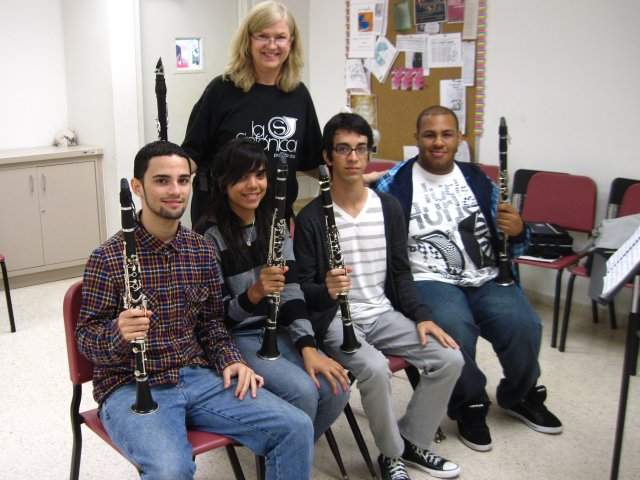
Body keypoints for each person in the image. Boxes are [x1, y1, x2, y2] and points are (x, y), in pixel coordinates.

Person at [76, 140, 313, 479]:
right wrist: (117, 332)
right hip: (130, 386)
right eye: (162, 181)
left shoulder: (200, 250)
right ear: (137, 187)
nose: (175, 191)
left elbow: (212, 325)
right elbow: (86, 338)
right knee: (171, 470)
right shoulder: (107, 258)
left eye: (183, 180)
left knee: (296, 427)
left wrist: (230, 358)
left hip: (198, 376)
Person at [374, 105, 563, 452]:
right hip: (429, 278)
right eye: (429, 135)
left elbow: (512, 240)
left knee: (523, 325)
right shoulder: (394, 182)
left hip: (487, 275)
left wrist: (519, 230)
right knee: (453, 332)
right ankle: (470, 405)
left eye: (447, 134)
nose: (438, 142)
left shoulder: (477, 178)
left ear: (459, 138)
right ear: (416, 138)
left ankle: (519, 395)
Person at [294, 113, 464, 480]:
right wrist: (325, 288)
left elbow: (401, 273)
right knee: (374, 367)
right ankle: (392, 456)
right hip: (337, 319)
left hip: (382, 312)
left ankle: (411, 440)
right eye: (343, 149)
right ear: (328, 157)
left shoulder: (388, 208)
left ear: (369, 153)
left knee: (450, 358)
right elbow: (302, 288)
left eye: (360, 149)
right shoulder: (311, 218)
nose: (353, 158)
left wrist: (423, 316)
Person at [196, 137, 350, 444]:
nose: (253, 185)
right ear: (222, 182)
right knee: (303, 392)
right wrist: (254, 293)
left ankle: (287, 457)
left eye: (260, 175)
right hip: (236, 337)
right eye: (241, 177)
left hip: (278, 330)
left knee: (337, 388)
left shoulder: (274, 223)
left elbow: (291, 291)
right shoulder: (207, 237)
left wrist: (307, 347)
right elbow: (211, 320)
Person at [182, 1, 323, 225]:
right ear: (248, 40)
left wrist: (356, 177)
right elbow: (191, 155)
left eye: (280, 37)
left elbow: (312, 161)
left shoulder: (299, 96)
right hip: (219, 223)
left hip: (275, 225)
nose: (272, 45)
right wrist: (160, 176)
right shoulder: (221, 90)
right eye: (262, 36)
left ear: (292, 43)